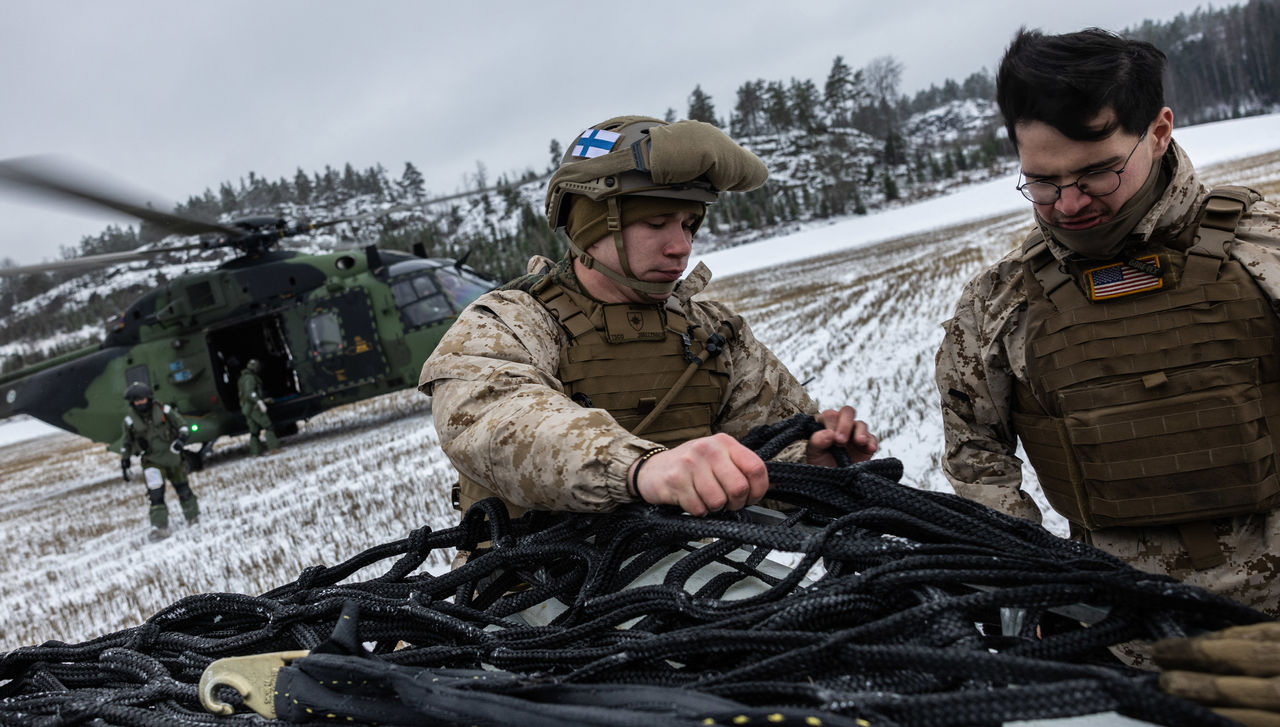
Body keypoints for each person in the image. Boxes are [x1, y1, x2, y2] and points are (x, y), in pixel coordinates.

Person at [935, 27, 1280, 616]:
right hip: (1121, 637)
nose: (1069, 204)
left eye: (1098, 173)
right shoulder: (997, 303)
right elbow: (977, 459)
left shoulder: (1265, 249)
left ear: (1159, 132)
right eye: (1042, 181)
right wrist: (1040, 590)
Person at [420, 115, 878, 519]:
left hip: (695, 571)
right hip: (537, 588)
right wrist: (640, 468)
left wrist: (806, 464)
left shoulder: (713, 331)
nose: (681, 246)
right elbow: (500, 425)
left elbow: (759, 452)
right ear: (590, 226)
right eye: (656, 224)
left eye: (688, 224)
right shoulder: (506, 324)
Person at [120, 381, 199, 541]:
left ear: (148, 398)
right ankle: (159, 527)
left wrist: (181, 440)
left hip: (173, 457)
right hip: (151, 461)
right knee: (156, 494)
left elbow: (182, 426)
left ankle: (193, 517)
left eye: (142, 399)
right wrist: (125, 461)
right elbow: (126, 442)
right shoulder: (129, 420)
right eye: (136, 401)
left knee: (183, 489)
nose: (140, 403)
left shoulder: (164, 410)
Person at [238, 358, 279, 456]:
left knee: (254, 431)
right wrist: (259, 402)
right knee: (268, 426)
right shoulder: (250, 378)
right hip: (254, 408)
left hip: (247, 408)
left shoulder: (243, 378)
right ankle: (273, 448)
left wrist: (263, 400)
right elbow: (250, 393)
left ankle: (255, 452)